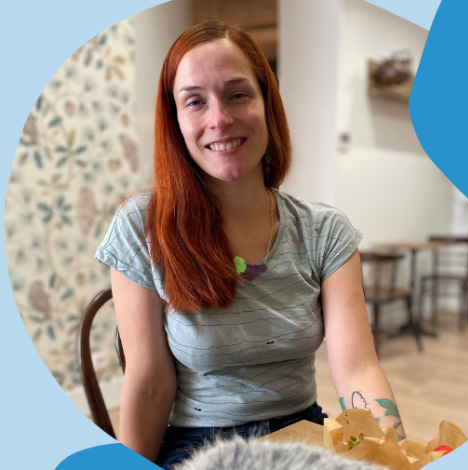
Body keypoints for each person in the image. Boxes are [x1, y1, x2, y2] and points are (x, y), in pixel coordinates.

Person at [95, 20, 406, 469]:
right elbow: (149, 386)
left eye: (238, 94)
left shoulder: (326, 231)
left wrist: (393, 455)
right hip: (198, 447)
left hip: (301, 437)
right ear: (176, 120)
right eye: (195, 101)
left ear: (267, 103)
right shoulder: (140, 226)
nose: (219, 119)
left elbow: (357, 370)